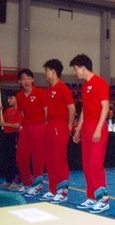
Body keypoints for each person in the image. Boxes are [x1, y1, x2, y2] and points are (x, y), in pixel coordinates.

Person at [70, 54, 111, 213]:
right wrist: (78, 129)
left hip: (97, 126)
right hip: (86, 127)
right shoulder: (84, 86)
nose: (75, 73)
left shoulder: (100, 83)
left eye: (75, 69)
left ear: (83, 68)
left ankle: (103, 199)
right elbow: (84, 111)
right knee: (87, 164)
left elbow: (105, 108)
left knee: (95, 163)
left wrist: (98, 128)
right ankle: (92, 197)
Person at [40, 59, 76, 204]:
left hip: (60, 125)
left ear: (53, 72)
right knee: (49, 158)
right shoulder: (48, 90)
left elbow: (72, 109)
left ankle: (63, 191)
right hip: (50, 125)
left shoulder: (63, 88)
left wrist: (68, 125)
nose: (45, 73)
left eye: (46, 70)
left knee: (59, 158)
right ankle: (53, 189)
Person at [15, 69, 47, 197]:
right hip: (26, 127)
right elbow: (22, 113)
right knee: (21, 156)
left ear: (33, 79)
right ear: (19, 81)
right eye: (23, 79)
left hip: (39, 126)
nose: (26, 81)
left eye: (29, 78)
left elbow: (46, 111)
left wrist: (44, 126)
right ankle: (27, 182)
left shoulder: (40, 93)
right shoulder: (19, 96)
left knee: (37, 156)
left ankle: (38, 184)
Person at [0, 90, 22, 191]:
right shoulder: (8, 110)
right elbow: (1, 122)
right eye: (8, 98)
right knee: (7, 158)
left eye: (11, 98)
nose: (8, 100)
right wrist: (0, 111)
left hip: (15, 135)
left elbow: (17, 125)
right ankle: (8, 179)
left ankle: (16, 181)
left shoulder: (20, 110)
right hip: (6, 135)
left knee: (15, 159)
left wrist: (6, 125)